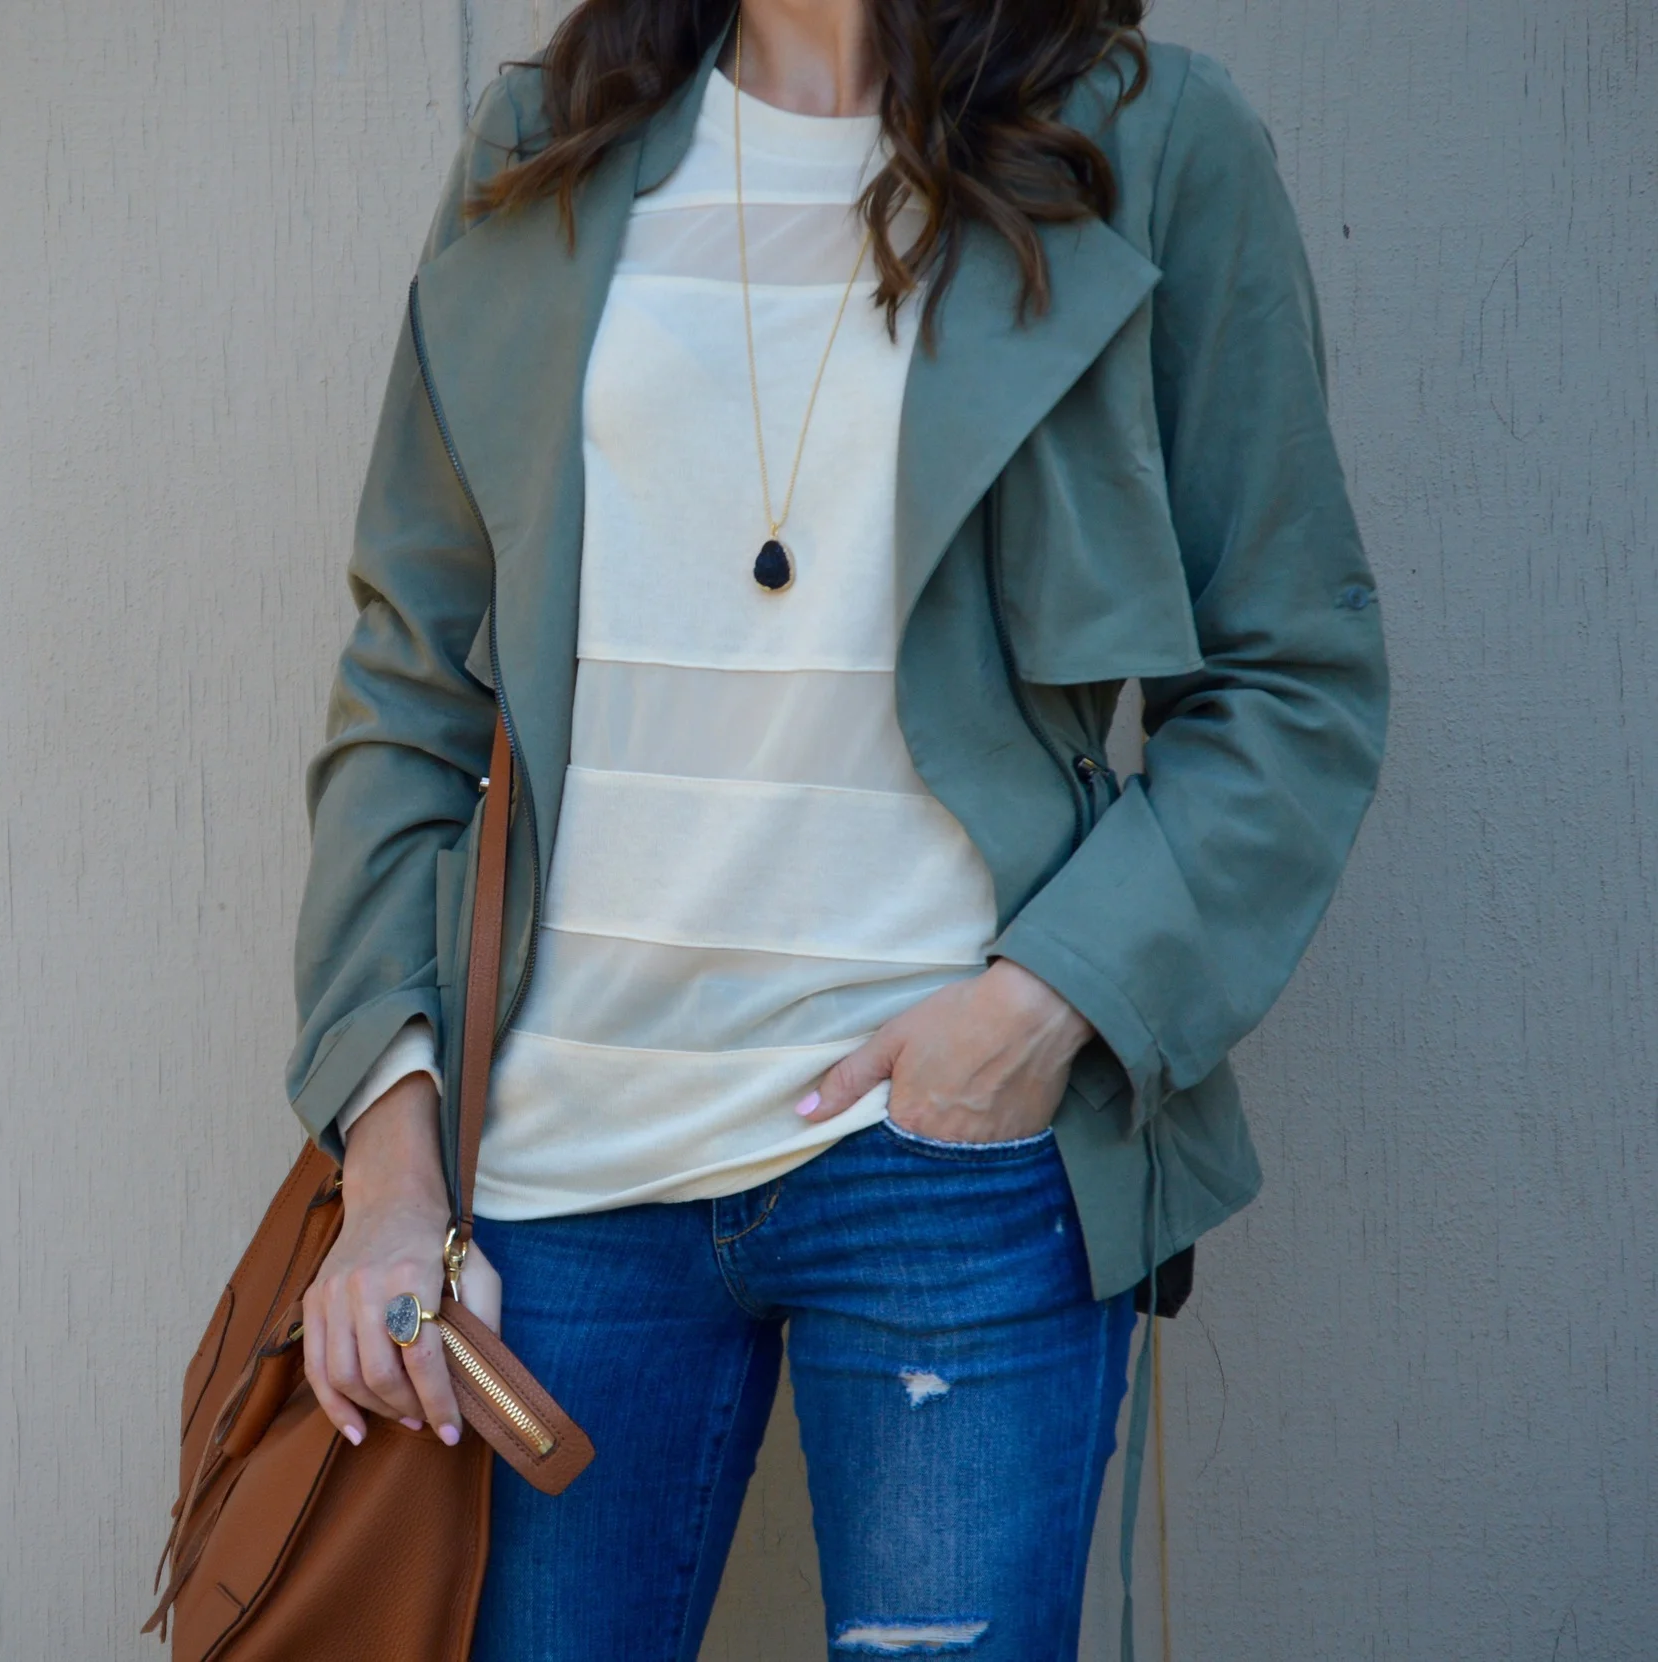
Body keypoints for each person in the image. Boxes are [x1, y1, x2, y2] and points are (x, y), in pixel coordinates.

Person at [285, 0, 1386, 1653]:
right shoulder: (546, 148)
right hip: (555, 1173)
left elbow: (1293, 674)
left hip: (954, 1160)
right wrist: (388, 1169)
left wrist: (1039, 1014)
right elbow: (410, 687)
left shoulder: (1144, 145)